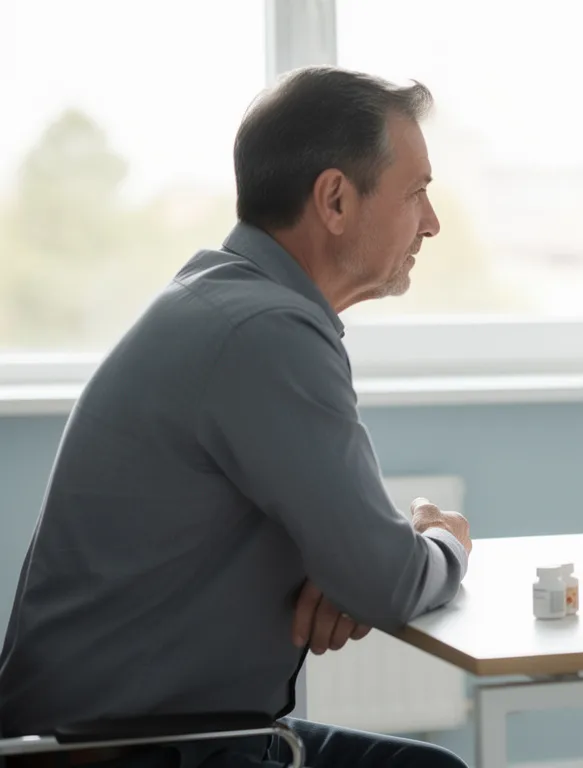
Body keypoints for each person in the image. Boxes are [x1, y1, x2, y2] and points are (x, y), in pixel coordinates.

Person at [0, 67, 472, 768]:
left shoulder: (223, 302)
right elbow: (387, 580)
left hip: (139, 736)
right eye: (416, 192)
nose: (431, 222)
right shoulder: (266, 335)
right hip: (126, 753)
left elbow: (365, 569)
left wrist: (357, 571)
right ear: (336, 200)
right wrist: (447, 544)